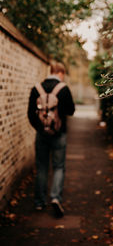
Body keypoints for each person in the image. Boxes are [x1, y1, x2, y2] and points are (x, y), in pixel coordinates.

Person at [27, 61, 75, 217]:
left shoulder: (36, 88)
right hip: (59, 134)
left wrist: (41, 129)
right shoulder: (63, 89)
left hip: (41, 135)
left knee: (41, 167)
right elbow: (71, 110)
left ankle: (40, 202)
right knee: (58, 167)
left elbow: (30, 114)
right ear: (60, 73)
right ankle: (55, 198)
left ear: (51, 71)